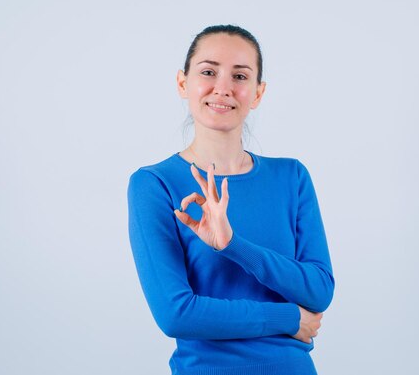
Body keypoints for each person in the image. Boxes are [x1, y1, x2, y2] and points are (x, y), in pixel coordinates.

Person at [127, 24, 335, 375]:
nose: (223, 88)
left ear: (257, 93)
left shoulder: (291, 177)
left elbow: (319, 290)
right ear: (183, 83)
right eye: (208, 72)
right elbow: (176, 313)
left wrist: (233, 245)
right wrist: (287, 317)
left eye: (240, 76)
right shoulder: (154, 184)